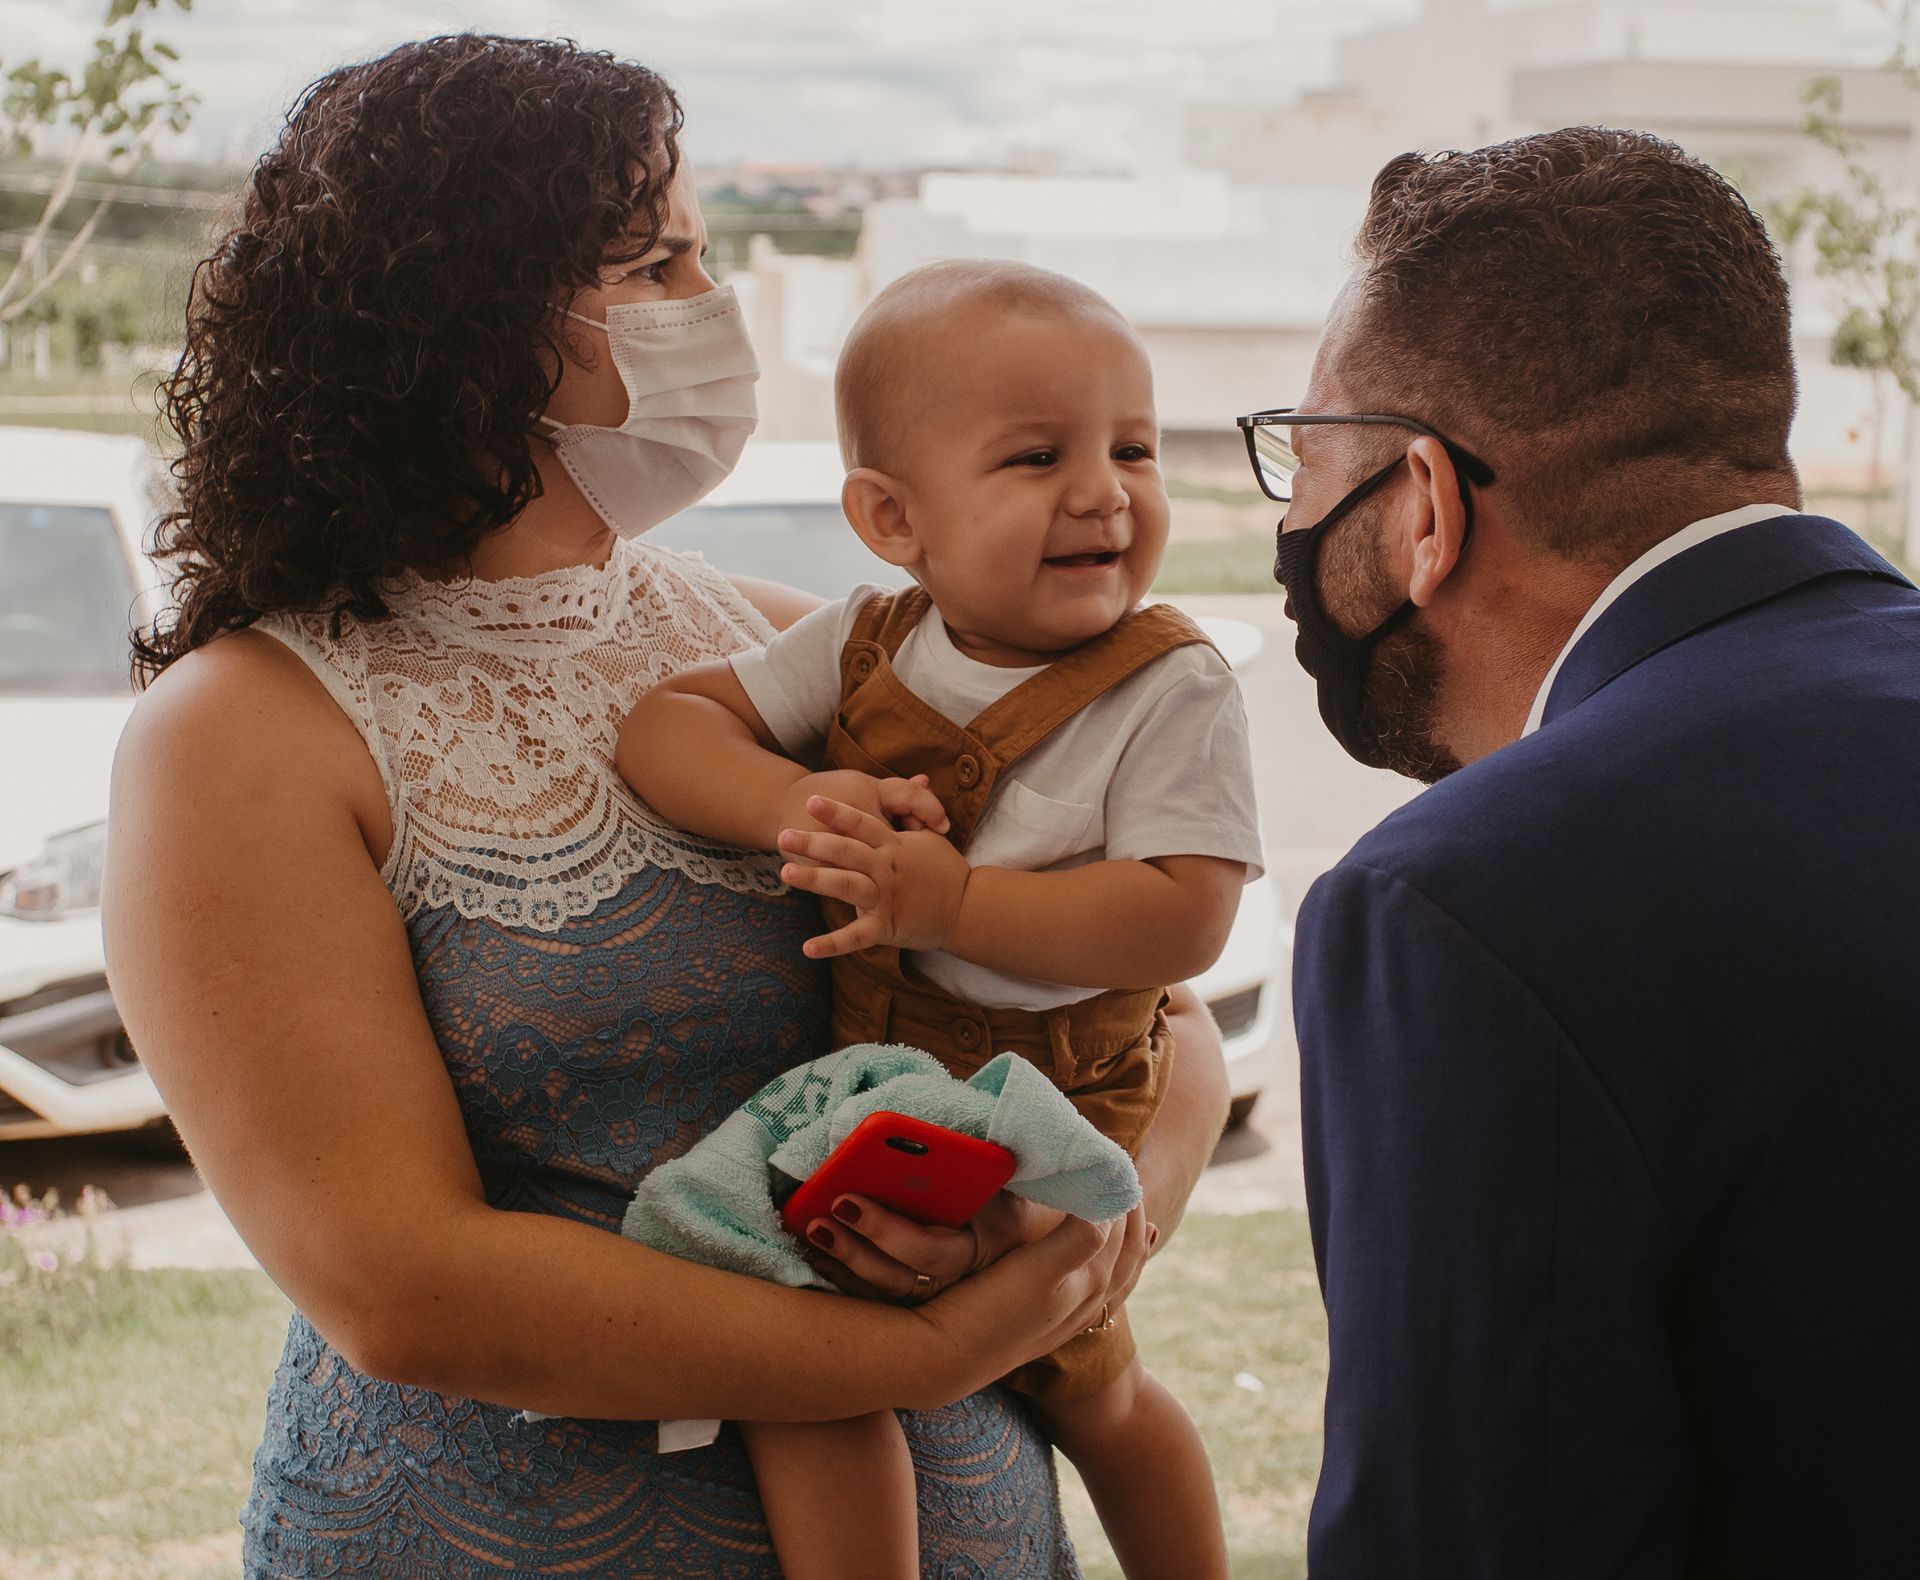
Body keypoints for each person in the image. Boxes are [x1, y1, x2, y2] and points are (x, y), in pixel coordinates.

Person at [100, 35, 1231, 1577]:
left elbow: (1156, 1024)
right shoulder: (243, 734)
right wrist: (921, 1355)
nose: (711, 307)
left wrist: (1078, 1247)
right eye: (657, 262)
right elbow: (400, 1285)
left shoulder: (795, 643)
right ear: (466, 327)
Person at [1256, 125, 1920, 1576]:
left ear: (1424, 507)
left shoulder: (1462, 905)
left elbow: (1471, 1540)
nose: (1294, 523)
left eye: (1301, 458)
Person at [620, 260, 1257, 1580]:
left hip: (1067, 1093)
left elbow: (1183, 921)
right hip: (884, 1088)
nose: (1104, 491)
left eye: (1131, 447)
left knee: (1094, 1389)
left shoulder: (1169, 685)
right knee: (801, 1347)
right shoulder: (864, 644)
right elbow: (666, 725)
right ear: (892, 515)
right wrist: (797, 803)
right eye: (1037, 456)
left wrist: (957, 900)